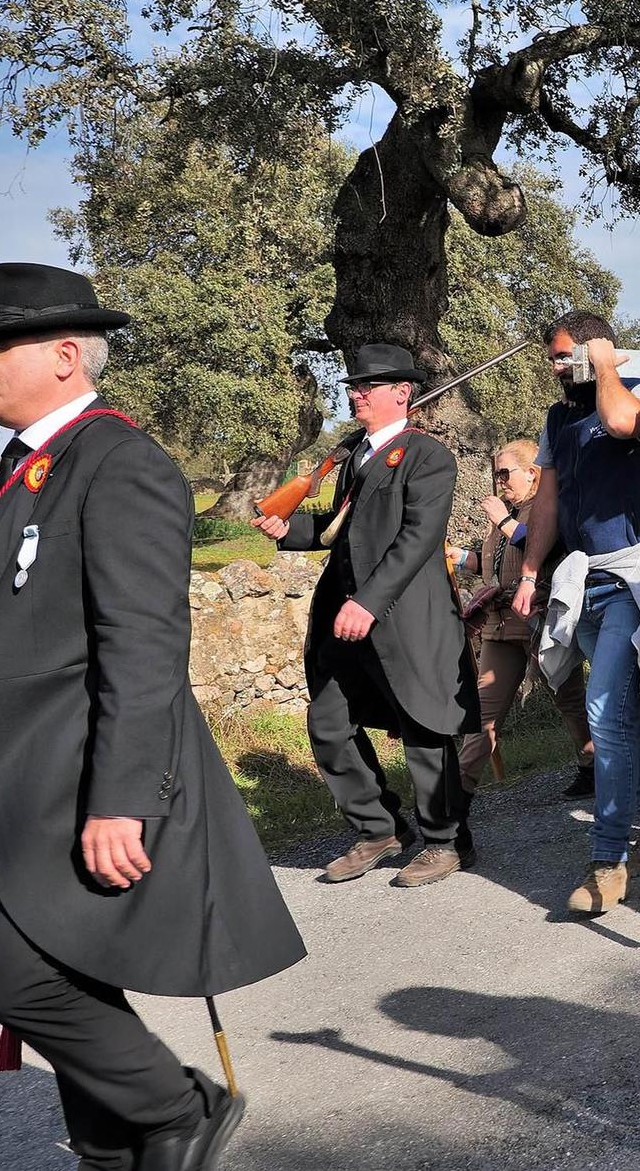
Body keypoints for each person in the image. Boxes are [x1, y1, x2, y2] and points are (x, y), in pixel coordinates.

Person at [0, 263, 304, 1169]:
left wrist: (122, 798)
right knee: (67, 963)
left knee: (20, 981)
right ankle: (113, 1149)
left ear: (64, 354)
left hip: (81, 776)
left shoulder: (119, 462)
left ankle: (179, 1108)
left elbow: (142, 642)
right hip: (30, 780)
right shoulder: (29, 466)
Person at [255, 344, 481, 887]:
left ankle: (444, 841)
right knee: (328, 722)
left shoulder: (428, 457)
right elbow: (343, 527)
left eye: (368, 386)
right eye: (354, 386)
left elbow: (417, 538)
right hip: (344, 615)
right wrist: (292, 532)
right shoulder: (356, 455)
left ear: (401, 394)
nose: (355, 393)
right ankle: (379, 829)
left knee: (424, 725)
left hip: (403, 614)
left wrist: (369, 601)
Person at [514, 310, 640, 915]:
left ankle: (607, 860)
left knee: (604, 709)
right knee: (625, 706)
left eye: (570, 355)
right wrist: (532, 571)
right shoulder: (559, 418)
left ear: (597, 349)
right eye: (555, 356)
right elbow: (548, 499)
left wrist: (607, 362)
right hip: (586, 577)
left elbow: (619, 421)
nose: (560, 367)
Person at [449, 442, 592, 796]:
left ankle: (594, 765)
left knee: (569, 700)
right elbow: (494, 563)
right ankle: (457, 793)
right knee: (483, 711)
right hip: (499, 625)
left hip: (539, 621)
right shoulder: (507, 514)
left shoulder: (545, 506)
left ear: (532, 473)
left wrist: (502, 520)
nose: (500, 481)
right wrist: (461, 556)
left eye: (505, 472)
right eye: (496, 473)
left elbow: (542, 547)